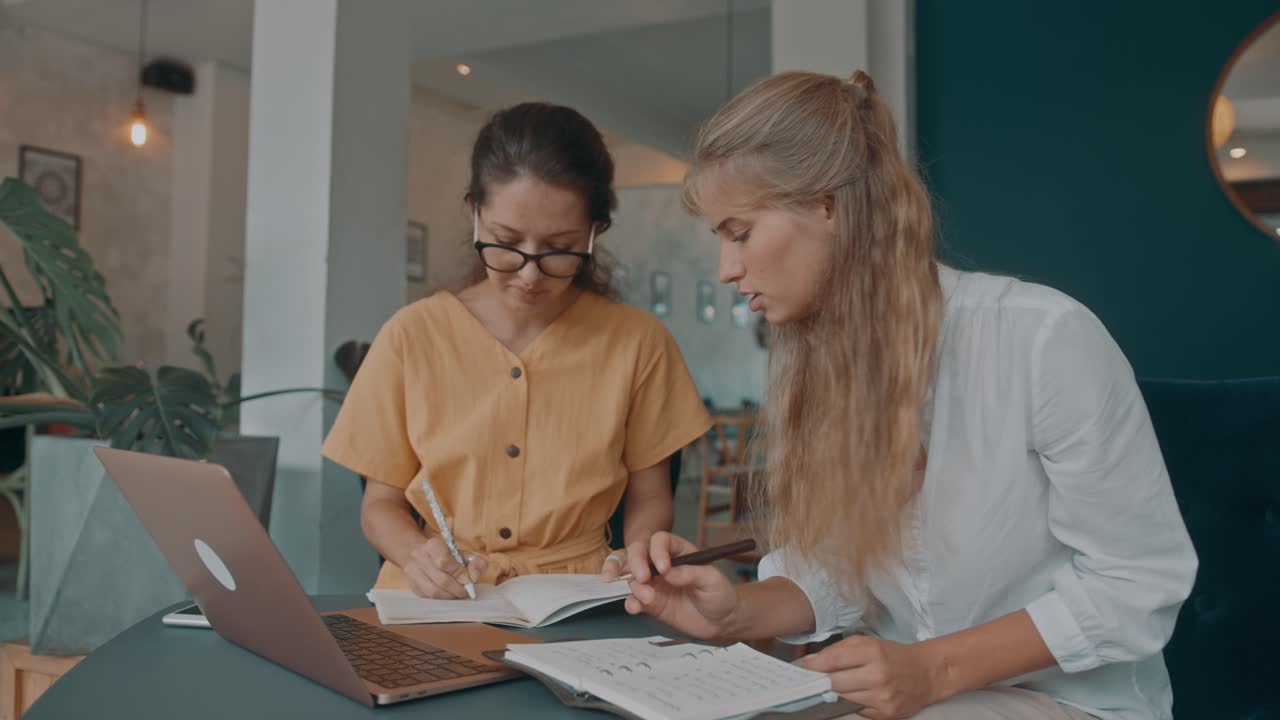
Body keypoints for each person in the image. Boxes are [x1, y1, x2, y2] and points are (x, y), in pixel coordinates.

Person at [621, 71, 1198, 720]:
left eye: (740, 231)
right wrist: (732, 613)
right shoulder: (824, 372)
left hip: (1070, 705)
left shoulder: (1045, 340)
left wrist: (932, 669)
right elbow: (837, 572)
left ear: (827, 205)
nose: (726, 270)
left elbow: (1136, 584)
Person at [324, 102, 711, 599]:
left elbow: (651, 499)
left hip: (577, 596)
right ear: (474, 214)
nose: (529, 274)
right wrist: (415, 555)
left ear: (595, 232)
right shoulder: (410, 336)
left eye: (559, 247)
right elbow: (379, 504)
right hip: (437, 598)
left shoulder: (638, 343)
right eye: (506, 241)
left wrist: (633, 554)